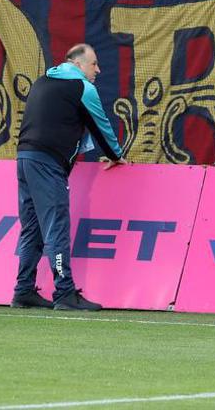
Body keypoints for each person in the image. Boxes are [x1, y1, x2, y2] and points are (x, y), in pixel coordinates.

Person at [14, 43, 125, 312]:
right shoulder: (82, 88)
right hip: (47, 163)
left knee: (32, 228)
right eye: (93, 64)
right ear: (77, 64)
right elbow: (101, 126)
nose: (98, 70)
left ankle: (23, 291)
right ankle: (64, 292)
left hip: (24, 159)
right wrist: (116, 155)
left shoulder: (42, 81)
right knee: (56, 228)